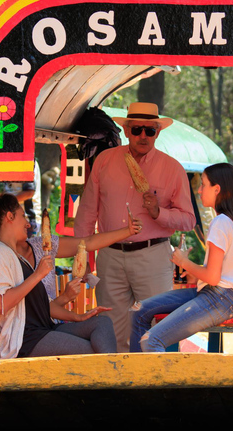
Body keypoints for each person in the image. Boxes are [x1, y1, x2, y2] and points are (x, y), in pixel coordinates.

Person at [74, 102, 195, 352]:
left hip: (152, 255)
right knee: (110, 327)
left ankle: (158, 386)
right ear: (126, 130)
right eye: (137, 129)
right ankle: (119, 387)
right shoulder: (105, 160)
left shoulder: (172, 169)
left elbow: (188, 220)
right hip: (110, 253)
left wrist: (158, 212)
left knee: (157, 328)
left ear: (158, 133)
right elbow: (87, 210)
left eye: (149, 131)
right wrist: (82, 253)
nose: (143, 136)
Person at [0, 193, 141, 359]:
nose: (28, 224)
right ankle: (114, 378)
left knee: (102, 323)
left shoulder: (15, 256)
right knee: (92, 353)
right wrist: (37, 275)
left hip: (44, 328)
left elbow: (43, 306)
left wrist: (78, 317)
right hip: (26, 340)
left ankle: (110, 378)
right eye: (22, 216)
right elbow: (1, 304)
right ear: (9, 217)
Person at [130, 163, 233, 352]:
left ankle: (156, 380)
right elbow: (218, 274)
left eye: (203, 185)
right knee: (139, 311)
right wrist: (192, 270)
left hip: (220, 298)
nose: (199, 190)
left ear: (217, 189)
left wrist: (183, 262)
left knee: (151, 340)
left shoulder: (221, 222)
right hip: (220, 295)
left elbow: (213, 278)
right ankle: (137, 375)